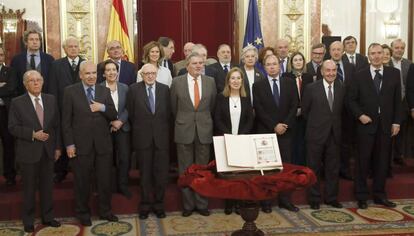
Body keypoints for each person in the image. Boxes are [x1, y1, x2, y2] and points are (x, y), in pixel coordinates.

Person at [62, 61, 118, 226]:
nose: (91, 76)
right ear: (81, 75)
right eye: (88, 73)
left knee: (104, 181)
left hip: (103, 145)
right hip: (80, 145)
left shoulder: (104, 90)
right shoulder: (69, 92)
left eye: (94, 73)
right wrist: (69, 144)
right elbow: (66, 122)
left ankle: (106, 211)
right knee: (82, 182)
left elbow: (113, 114)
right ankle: (83, 213)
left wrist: (102, 108)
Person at [348, 43, 402, 209]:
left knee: (382, 162)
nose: (377, 56)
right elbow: (351, 100)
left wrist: (396, 121)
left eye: (380, 53)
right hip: (366, 125)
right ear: (368, 56)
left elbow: (397, 100)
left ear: (384, 54)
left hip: (386, 126)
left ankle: (379, 195)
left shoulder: (394, 73)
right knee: (363, 161)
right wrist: (360, 115)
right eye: (373, 53)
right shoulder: (359, 75)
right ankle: (362, 196)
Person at [8, 70, 61, 233]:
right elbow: (12, 127)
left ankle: (48, 217)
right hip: (28, 151)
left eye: (39, 80)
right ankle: (29, 220)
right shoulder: (17, 102)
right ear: (25, 84)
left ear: (43, 82)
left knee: (47, 187)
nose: (36, 83)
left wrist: (58, 147)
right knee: (29, 188)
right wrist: (32, 134)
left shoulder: (51, 99)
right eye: (32, 80)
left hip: (48, 151)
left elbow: (57, 126)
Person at [170, 52, 216, 217]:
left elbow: (212, 105)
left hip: (204, 130)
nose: (198, 66)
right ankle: (188, 205)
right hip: (184, 130)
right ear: (187, 65)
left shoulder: (210, 82)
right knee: (186, 170)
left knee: (203, 170)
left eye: (201, 63)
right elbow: (173, 108)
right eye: (195, 63)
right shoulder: (176, 82)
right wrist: (184, 121)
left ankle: (202, 204)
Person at [253, 54, 299, 213]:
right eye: (268, 64)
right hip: (267, 133)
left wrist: (284, 125)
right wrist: (274, 126)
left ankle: (285, 200)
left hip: (286, 132)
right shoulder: (257, 86)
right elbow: (259, 110)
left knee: (285, 168)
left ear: (279, 66)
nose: (272, 67)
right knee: (268, 169)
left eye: (274, 64)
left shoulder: (289, 82)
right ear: (264, 67)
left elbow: (294, 105)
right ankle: (266, 201)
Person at [128, 63, 171, 220]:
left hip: (161, 139)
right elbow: (131, 113)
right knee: (145, 175)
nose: (150, 76)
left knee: (160, 175)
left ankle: (159, 205)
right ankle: (145, 205)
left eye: (153, 73)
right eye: (147, 74)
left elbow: (169, 114)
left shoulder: (165, 90)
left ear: (156, 74)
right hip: (143, 139)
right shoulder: (133, 89)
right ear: (142, 75)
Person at [302, 60, 345, 210]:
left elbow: (342, 112)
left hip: (335, 134)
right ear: (322, 71)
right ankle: (314, 198)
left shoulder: (341, 86)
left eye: (333, 70)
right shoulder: (311, 88)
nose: (331, 73)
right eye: (328, 70)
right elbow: (305, 112)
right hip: (315, 134)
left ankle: (331, 198)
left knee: (333, 168)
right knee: (313, 168)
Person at [214, 67, 254, 214]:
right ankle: (229, 203)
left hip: (242, 140)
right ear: (228, 81)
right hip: (226, 140)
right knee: (228, 174)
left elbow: (250, 119)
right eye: (233, 78)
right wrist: (228, 136)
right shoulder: (221, 97)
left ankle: (239, 203)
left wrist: (241, 136)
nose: (236, 81)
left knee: (241, 175)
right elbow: (217, 118)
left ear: (242, 81)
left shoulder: (246, 98)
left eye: (238, 78)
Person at [48, 36, 85, 183]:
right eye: (70, 46)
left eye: (76, 46)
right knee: (61, 139)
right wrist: (54, 108)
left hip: (82, 111)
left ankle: (80, 171)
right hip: (62, 109)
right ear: (65, 49)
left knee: (81, 141)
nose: (74, 49)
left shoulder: (86, 64)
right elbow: (52, 89)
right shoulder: (56, 65)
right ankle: (60, 171)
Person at [101, 60, 131, 198]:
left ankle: (123, 186)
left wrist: (120, 121)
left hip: (123, 128)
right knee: (107, 159)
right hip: (106, 129)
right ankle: (109, 187)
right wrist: (112, 122)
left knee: (124, 158)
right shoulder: (99, 88)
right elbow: (99, 110)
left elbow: (128, 107)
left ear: (117, 72)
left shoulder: (125, 87)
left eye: (114, 69)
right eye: (108, 70)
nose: (111, 72)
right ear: (103, 73)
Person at [326, 41, 356, 181]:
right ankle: (330, 170)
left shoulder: (350, 67)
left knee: (346, 143)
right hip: (330, 113)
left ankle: (344, 169)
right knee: (330, 142)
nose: (336, 52)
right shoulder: (325, 67)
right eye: (334, 49)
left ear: (343, 51)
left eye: (339, 49)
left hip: (348, 112)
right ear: (329, 51)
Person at [283, 52, 313, 166]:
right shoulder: (286, 76)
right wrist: (295, 109)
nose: (298, 62)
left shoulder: (308, 77)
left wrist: (303, 110)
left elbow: (310, 96)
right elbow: (286, 97)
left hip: (306, 115)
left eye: (300, 59)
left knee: (304, 142)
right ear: (291, 63)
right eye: (295, 60)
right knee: (293, 143)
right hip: (291, 115)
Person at [10, 30, 54, 95]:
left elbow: (52, 81)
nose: (35, 42)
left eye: (37, 39)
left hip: (44, 98)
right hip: (22, 98)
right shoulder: (16, 60)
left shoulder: (49, 59)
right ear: (26, 42)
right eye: (31, 39)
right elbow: (14, 82)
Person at [390, 38, 412, 166]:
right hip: (389, 102)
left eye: (402, 48)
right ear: (392, 48)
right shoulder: (386, 63)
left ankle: (398, 155)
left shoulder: (409, 64)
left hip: (404, 103)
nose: (399, 50)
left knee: (401, 130)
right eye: (397, 47)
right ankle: (388, 156)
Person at [0, 47, 17, 186]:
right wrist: (2, 87)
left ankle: (10, 175)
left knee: (8, 144)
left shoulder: (10, 71)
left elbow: (11, 88)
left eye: (0, 54)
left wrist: (4, 87)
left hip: (5, 113)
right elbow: (5, 90)